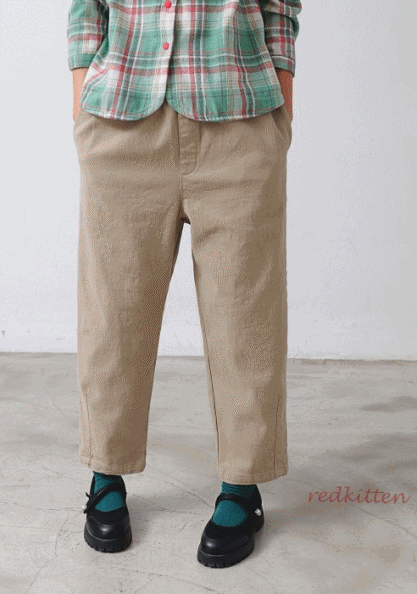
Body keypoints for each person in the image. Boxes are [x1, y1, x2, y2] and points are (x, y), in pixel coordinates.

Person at [68, 0, 302, 568]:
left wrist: (282, 107)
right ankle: (106, 472)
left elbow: (281, 7)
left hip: (240, 117)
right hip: (123, 119)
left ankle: (242, 486)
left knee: (245, 316)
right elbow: (84, 10)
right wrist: (81, 102)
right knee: (114, 311)